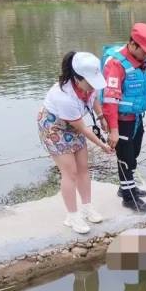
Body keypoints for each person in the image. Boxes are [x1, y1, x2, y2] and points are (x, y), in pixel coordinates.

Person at [37, 51, 113, 235]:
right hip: (54, 128)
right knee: (69, 172)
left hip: (73, 123)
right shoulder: (64, 97)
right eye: (90, 82)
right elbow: (83, 129)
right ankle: (72, 216)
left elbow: (93, 96)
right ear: (77, 78)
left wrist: (101, 116)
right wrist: (102, 144)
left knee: (83, 168)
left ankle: (87, 207)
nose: (92, 86)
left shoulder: (88, 84)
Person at [102, 23, 146, 213]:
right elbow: (110, 100)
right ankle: (128, 198)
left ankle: (127, 187)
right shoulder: (116, 64)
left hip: (136, 118)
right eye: (144, 51)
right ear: (132, 44)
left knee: (134, 154)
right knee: (125, 157)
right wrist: (113, 130)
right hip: (121, 121)